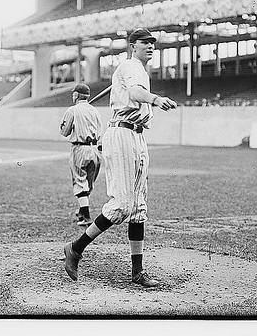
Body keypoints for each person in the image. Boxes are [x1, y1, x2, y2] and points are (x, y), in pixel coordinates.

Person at [63, 28, 178, 288]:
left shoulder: (137, 69)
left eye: (152, 43)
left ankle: (137, 272)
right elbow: (137, 94)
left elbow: (136, 94)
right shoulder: (131, 66)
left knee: (138, 208)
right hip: (123, 133)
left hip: (136, 135)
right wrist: (156, 99)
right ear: (132, 46)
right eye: (144, 42)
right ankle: (76, 248)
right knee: (122, 206)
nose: (150, 46)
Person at [59, 83, 103, 226]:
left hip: (80, 149)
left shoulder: (72, 110)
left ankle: (86, 216)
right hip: (95, 149)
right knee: (88, 183)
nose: (73, 95)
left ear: (77, 95)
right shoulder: (95, 111)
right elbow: (101, 132)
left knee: (79, 181)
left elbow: (64, 132)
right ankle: (82, 211)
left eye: (74, 94)